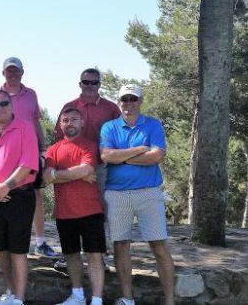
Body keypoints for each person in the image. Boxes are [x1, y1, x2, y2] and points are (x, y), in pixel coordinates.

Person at [99, 84, 174, 305]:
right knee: (120, 245)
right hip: (117, 194)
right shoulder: (109, 127)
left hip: (148, 193)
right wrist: (139, 149)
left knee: (159, 246)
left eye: (133, 98)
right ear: (119, 101)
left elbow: (156, 156)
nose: (128, 103)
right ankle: (127, 299)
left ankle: (170, 301)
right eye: (125, 99)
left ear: (140, 100)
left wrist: (122, 157)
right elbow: (106, 156)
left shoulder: (153, 125)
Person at [0, 57, 56, 258]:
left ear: (22, 72)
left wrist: (43, 149)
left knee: (36, 196)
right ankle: (9, 244)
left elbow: (36, 122)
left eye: (16, 71)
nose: (12, 74)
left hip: (29, 153)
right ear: (3, 73)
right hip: (5, 153)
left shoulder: (31, 94)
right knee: (6, 196)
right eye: (9, 71)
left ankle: (40, 242)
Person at [0, 90, 38, 305]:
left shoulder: (25, 128)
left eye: (3, 104)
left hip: (19, 197)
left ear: (11, 106)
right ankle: (10, 293)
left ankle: (19, 300)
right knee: (1, 249)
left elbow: (27, 164)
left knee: (18, 251)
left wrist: (6, 187)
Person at [53, 68, 120, 271]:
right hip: (70, 166)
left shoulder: (110, 108)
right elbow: (59, 135)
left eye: (94, 82)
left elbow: (119, 135)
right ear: (80, 83)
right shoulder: (70, 106)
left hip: (99, 167)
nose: (90, 86)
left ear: (100, 84)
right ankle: (70, 255)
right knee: (67, 209)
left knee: (99, 210)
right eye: (86, 82)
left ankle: (100, 255)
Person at [43, 108, 105, 305]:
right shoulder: (53, 149)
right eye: (65, 120)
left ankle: (97, 300)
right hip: (64, 212)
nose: (69, 123)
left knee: (94, 256)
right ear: (60, 124)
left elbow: (87, 168)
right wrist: (77, 174)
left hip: (91, 211)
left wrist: (58, 175)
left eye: (74, 119)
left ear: (82, 123)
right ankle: (77, 297)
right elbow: (45, 177)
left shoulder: (90, 146)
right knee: (71, 256)